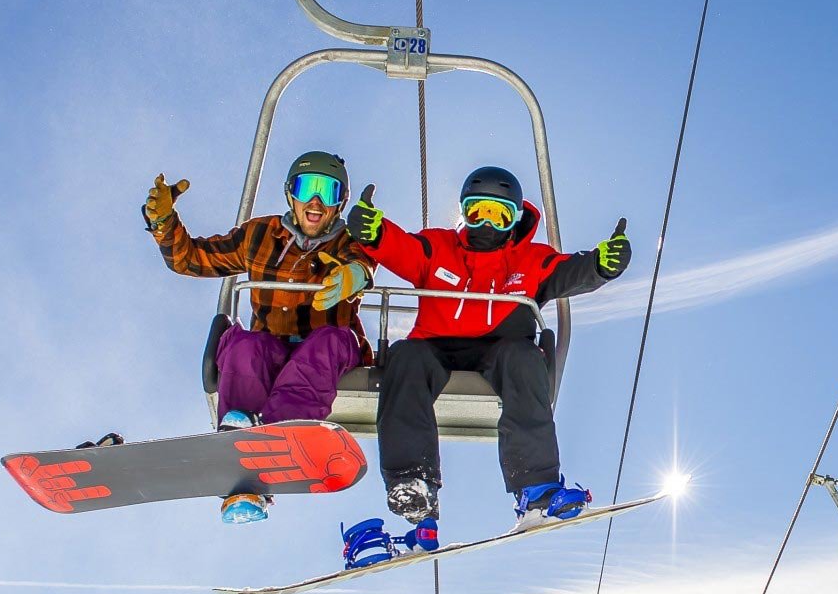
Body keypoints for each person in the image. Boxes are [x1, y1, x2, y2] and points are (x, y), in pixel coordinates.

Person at [337, 164, 630, 565]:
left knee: (527, 358)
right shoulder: (438, 247)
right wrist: (375, 232)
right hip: (436, 344)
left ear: (514, 219)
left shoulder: (530, 259)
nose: (487, 223)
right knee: (406, 357)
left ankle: (538, 490)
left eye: (499, 214)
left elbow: (569, 272)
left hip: (501, 349)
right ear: (463, 212)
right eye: (478, 212)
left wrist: (600, 265)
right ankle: (413, 482)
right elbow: (401, 248)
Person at [142, 149, 375, 524]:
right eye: (306, 188)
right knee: (242, 345)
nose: (315, 201)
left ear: (339, 203)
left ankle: (277, 435)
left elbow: (364, 259)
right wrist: (164, 223)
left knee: (328, 342)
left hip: (331, 346)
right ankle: (240, 456)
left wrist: (356, 274)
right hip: (272, 344)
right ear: (290, 194)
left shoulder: (347, 241)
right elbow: (194, 259)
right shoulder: (260, 234)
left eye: (328, 192)